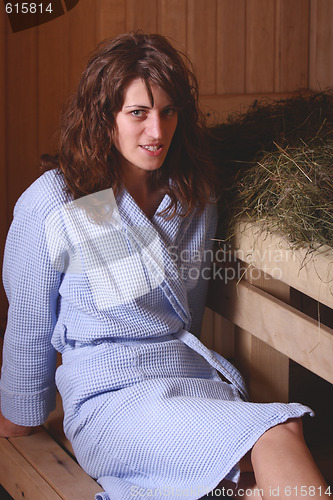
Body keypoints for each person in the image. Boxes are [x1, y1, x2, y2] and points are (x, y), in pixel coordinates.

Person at [0, 32, 330, 500]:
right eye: (137, 113)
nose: (156, 132)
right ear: (103, 117)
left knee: (259, 477)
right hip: (109, 401)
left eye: (168, 111)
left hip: (185, 381)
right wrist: (19, 419)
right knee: (278, 428)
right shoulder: (62, 200)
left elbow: (185, 314)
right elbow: (28, 322)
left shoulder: (191, 197)